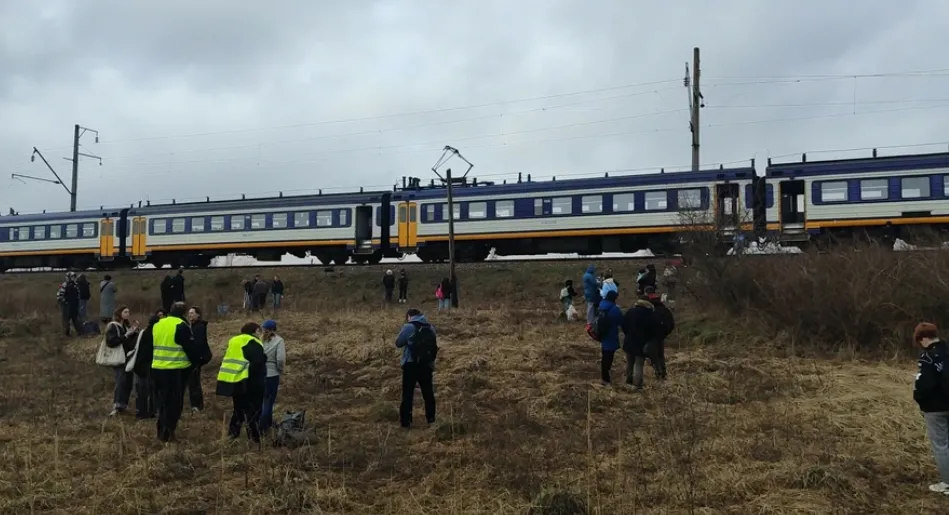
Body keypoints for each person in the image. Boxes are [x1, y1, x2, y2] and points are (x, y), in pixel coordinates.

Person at [150, 302, 199, 442]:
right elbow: (190, 348)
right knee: (174, 404)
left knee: (162, 402)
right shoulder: (181, 325)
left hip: (157, 368)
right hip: (175, 370)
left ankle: (161, 431)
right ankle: (169, 432)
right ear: (183, 313)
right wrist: (195, 362)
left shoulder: (158, 324)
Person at [912, 322, 949, 495]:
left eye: (920, 341)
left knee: (941, 444)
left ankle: (947, 483)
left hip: (936, 408)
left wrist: (918, 396)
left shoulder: (928, 357)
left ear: (924, 338)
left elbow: (926, 384)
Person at [216, 322, 267, 444]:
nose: (261, 334)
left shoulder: (234, 341)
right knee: (254, 411)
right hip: (251, 383)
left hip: (235, 380)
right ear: (255, 331)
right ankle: (254, 439)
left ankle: (232, 435)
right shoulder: (253, 343)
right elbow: (256, 364)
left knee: (238, 409)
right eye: (260, 331)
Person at [395, 308, 437, 428]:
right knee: (428, 393)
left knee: (407, 394)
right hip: (427, 364)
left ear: (409, 316)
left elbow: (398, 343)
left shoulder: (408, 327)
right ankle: (431, 419)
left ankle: (406, 422)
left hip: (410, 364)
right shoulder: (430, 328)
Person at [105, 306, 140, 416]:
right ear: (119, 313)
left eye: (128, 312)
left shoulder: (125, 325)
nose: (127, 314)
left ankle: (123, 405)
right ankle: (117, 405)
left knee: (128, 381)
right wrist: (125, 335)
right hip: (119, 358)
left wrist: (134, 331)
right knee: (120, 381)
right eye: (125, 312)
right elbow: (111, 342)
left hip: (128, 357)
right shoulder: (113, 326)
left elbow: (130, 341)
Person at [131, 309, 165, 420]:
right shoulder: (154, 334)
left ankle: (142, 412)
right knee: (149, 391)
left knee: (142, 392)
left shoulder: (144, 332)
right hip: (147, 366)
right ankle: (148, 412)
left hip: (139, 365)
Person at [621, 295, 659, 391]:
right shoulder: (650, 314)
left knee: (629, 363)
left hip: (629, 341)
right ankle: (637, 385)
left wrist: (628, 334)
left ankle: (628, 380)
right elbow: (653, 331)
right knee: (638, 364)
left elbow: (623, 326)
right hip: (641, 344)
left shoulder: (630, 312)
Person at [260, 319, 286, 434]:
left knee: (260, 400)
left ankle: (268, 422)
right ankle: (263, 427)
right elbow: (280, 359)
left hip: (259, 374)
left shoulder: (258, 340)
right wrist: (280, 370)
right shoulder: (279, 341)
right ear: (274, 329)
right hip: (272, 374)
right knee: (269, 401)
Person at [185, 306, 212, 413]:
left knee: (194, 382)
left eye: (192, 313)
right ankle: (196, 404)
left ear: (198, 315)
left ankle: (197, 405)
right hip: (196, 357)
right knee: (193, 382)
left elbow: (198, 343)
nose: (190, 315)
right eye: (189, 313)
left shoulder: (199, 327)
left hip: (197, 358)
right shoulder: (193, 326)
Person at [645, 287, 675, 381]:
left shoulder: (647, 306)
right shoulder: (662, 306)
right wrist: (665, 333)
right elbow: (671, 322)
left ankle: (659, 372)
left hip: (650, 335)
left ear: (646, 293)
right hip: (661, 334)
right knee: (660, 354)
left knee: (651, 354)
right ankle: (663, 373)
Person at [596, 290, 624, 387]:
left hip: (603, 335)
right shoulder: (614, 309)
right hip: (611, 335)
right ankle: (605, 379)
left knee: (605, 356)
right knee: (608, 358)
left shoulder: (602, 305)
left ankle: (605, 376)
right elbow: (621, 321)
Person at [56, 272, 82, 337]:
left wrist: (61, 300)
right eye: (72, 277)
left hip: (71, 305)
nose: (73, 278)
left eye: (74, 277)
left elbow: (60, 294)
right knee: (70, 319)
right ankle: (70, 333)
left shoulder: (72, 284)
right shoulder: (70, 285)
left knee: (71, 319)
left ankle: (74, 333)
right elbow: (60, 294)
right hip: (70, 305)